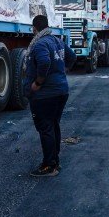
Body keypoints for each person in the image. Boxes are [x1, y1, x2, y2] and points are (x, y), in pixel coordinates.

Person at [25, 14, 76, 177]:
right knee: (53, 125)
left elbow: (44, 62)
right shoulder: (57, 41)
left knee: (46, 127)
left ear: (34, 28)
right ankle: (55, 161)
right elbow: (72, 57)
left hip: (45, 95)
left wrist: (38, 83)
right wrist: (63, 71)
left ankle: (49, 165)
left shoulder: (39, 44)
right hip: (61, 91)